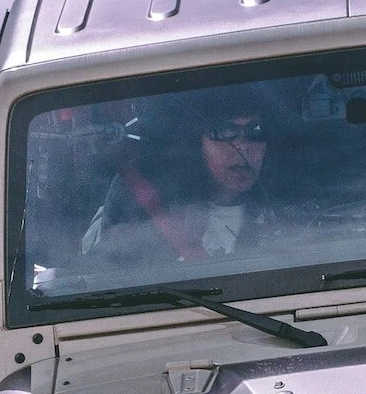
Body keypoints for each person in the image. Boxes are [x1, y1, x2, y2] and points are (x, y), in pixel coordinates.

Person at [78, 92, 283, 271]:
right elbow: (98, 278)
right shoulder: (142, 209)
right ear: (195, 142)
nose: (243, 145)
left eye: (256, 131)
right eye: (223, 131)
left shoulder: (289, 214)